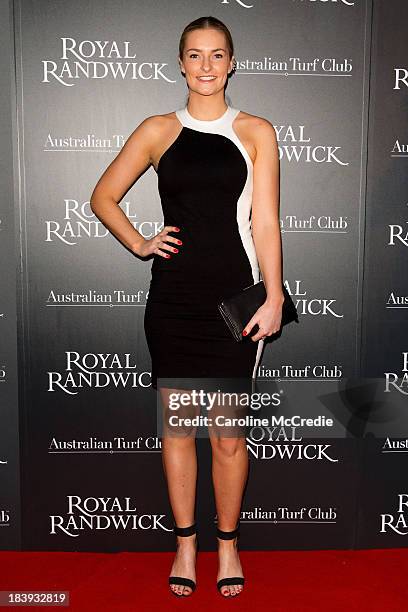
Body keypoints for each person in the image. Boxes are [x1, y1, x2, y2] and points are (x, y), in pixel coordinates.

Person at [90, 15, 283, 598]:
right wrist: (141, 242)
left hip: (234, 300)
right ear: (181, 63)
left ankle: (227, 544)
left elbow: (266, 221)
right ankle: (184, 544)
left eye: (217, 55)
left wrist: (274, 296)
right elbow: (103, 197)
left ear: (231, 62)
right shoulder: (157, 129)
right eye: (194, 56)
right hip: (173, 299)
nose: (205, 66)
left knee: (227, 436)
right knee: (178, 430)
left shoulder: (255, 130)